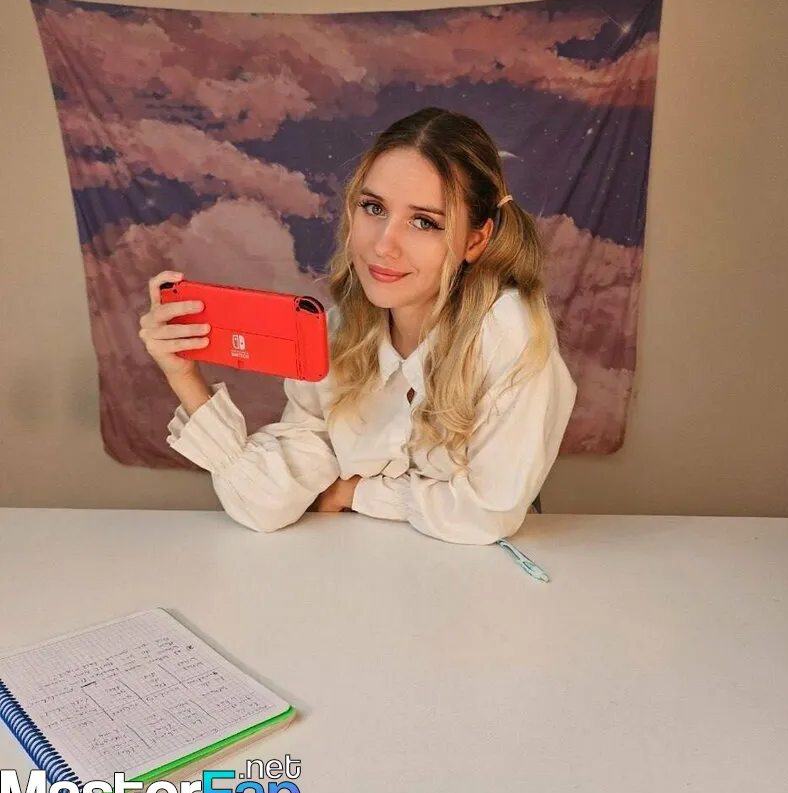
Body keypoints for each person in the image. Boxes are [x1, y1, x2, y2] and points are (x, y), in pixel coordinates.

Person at [138, 107, 577, 545]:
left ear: (475, 241)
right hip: (360, 569)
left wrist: (355, 492)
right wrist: (185, 377)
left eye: (424, 222)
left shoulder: (509, 331)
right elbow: (266, 505)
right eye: (374, 208)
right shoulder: (337, 333)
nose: (383, 245)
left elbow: (488, 513)